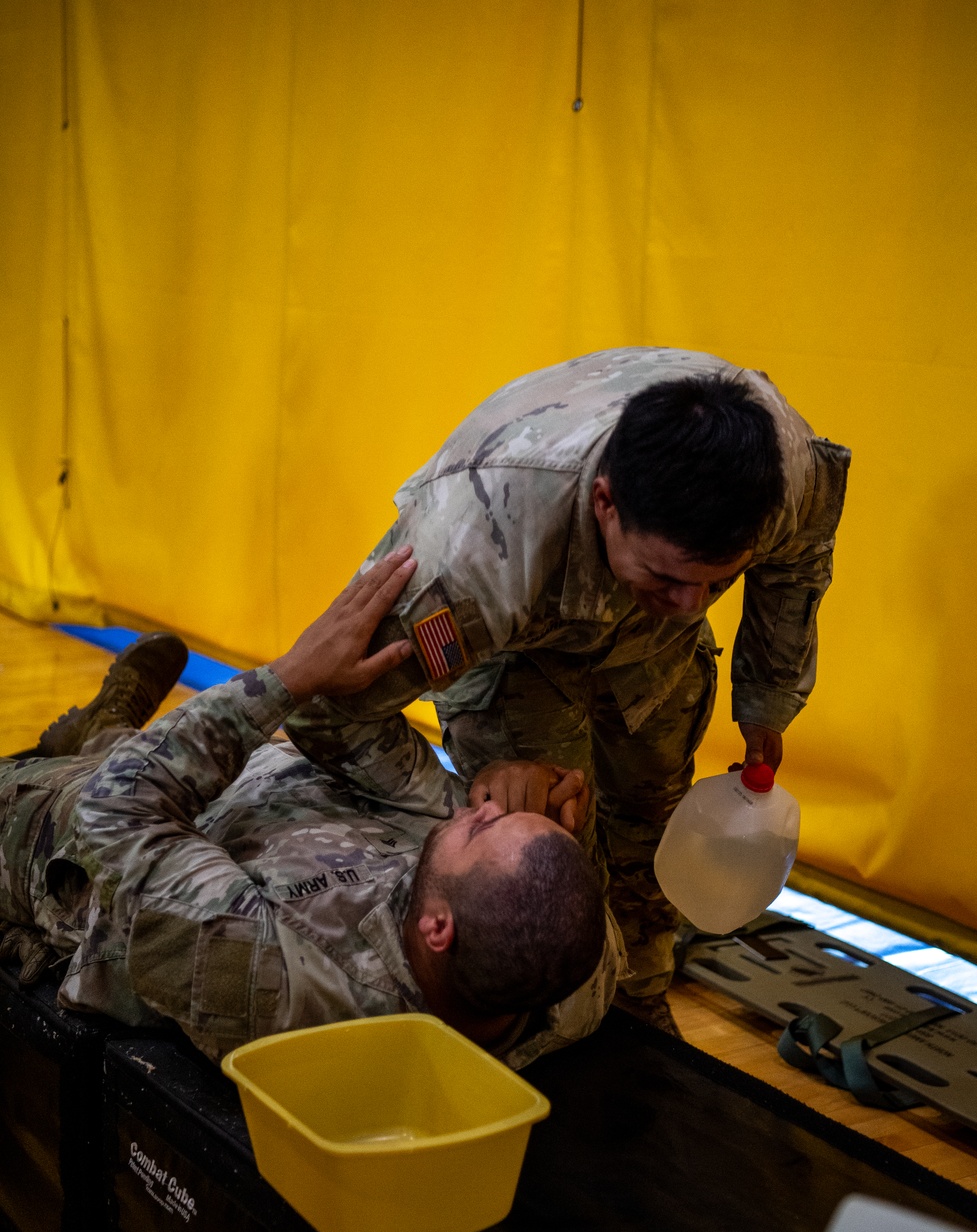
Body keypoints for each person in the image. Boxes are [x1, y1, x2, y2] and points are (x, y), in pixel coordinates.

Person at [282, 349, 851, 1020]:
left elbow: (798, 560)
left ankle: (638, 1001)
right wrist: (474, 806)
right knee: (550, 849)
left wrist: (765, 700)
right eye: (667, 577)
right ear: (606, 504)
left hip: (644, 645)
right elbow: (326, 717)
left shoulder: (782, 476)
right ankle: (560, 1020)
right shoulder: (470, 558)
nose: (695, 606)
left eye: (714, 581)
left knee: (653, 822)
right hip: (516, 650)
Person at [0, 552, 617, 1067]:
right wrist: (528, 789)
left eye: (486, 826)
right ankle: (105, 733)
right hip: (252, 779)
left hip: (86, 838)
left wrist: (289, 676)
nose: (478, 809)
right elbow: (331, 728)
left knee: (70, 787)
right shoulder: (572, 973)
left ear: (438, 929)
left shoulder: (282, 977)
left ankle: (101, 744)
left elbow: (119, 808)